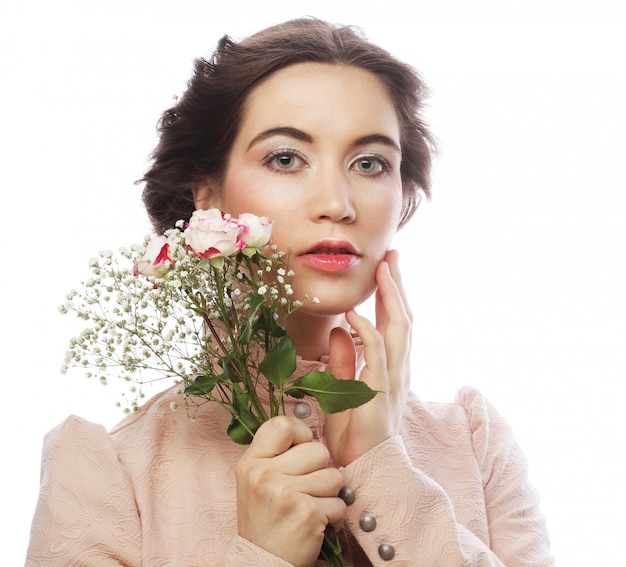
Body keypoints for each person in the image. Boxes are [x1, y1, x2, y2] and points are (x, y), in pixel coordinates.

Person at [26, 17, 553, 566]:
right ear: (206, 194)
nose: (337, 202)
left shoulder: (473, 444)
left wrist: (380, 468)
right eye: (285, 159)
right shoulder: (106, 471)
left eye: (369, 163)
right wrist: (262, 554)